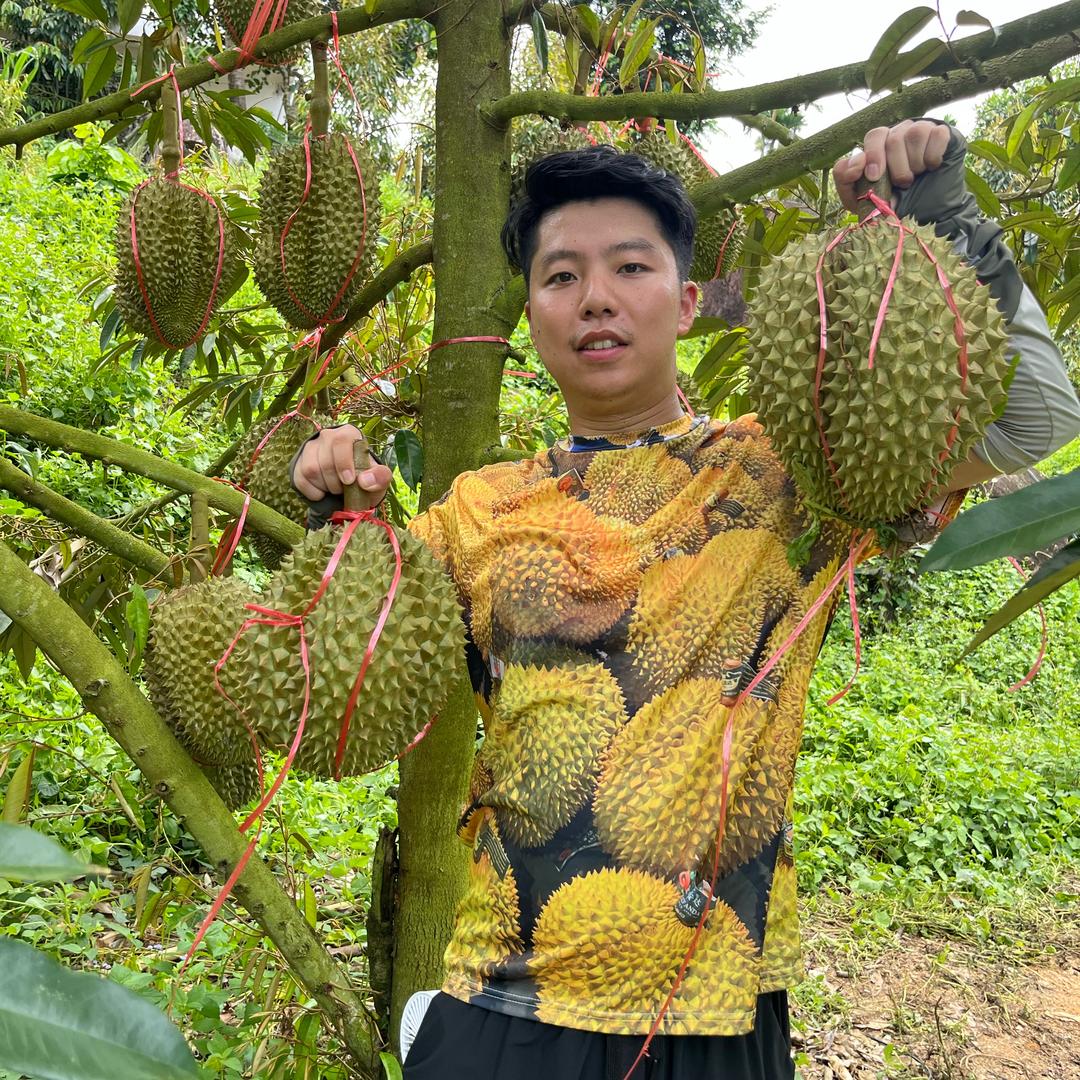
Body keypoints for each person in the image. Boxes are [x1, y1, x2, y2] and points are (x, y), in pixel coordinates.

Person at [290, 119, 1080, 1080]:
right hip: (506, 996)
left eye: (630, 266)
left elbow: (1038, 419)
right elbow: (349, 682)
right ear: (532, 314)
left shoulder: (794, 470)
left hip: (713, 1003)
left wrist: (948, 219)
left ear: (689, 299)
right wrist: (346, 516)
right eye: (561, 276)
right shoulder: (475, 510)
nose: (596, 299)